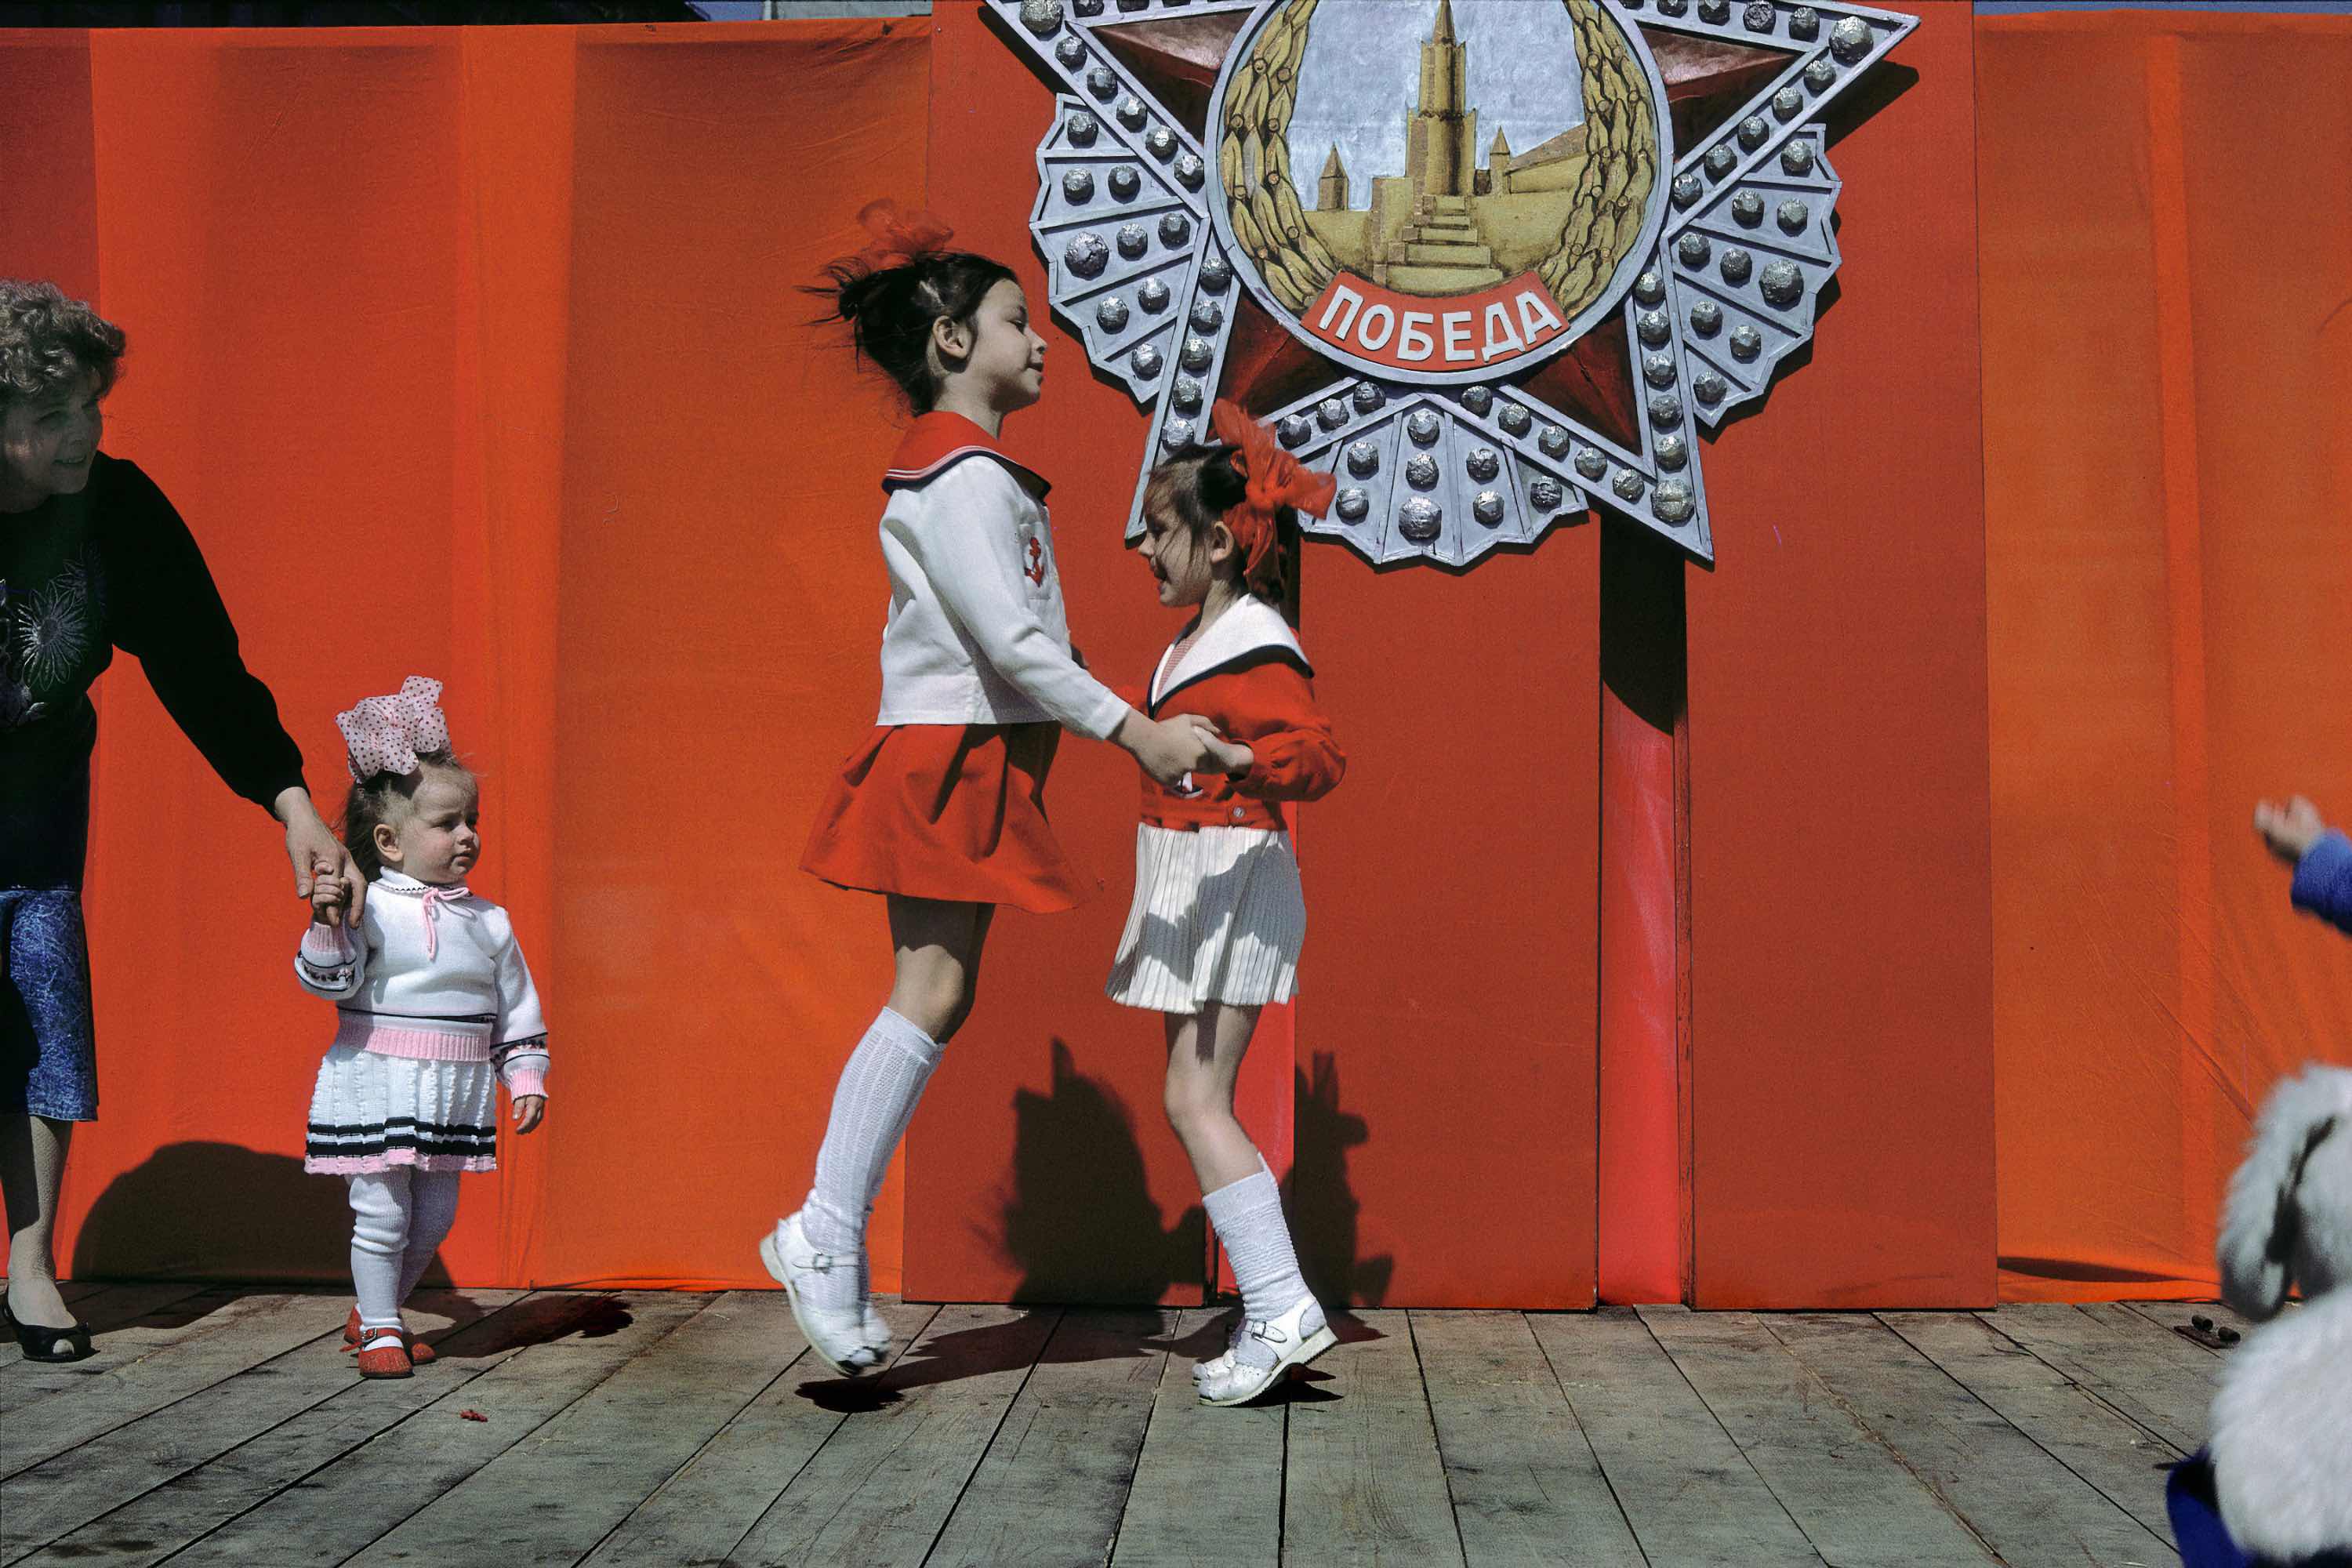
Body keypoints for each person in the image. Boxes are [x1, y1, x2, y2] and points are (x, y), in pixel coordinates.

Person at [764, 202, 1221, 1375]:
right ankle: (823, 1231)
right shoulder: (959, 476)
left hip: (975, 749)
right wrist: (1136, 731)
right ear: (954, 341)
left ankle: (824, 1231)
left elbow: (1022, 643)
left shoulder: (975, 472)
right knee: (926, 993)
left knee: (940, 993)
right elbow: (1013, 643)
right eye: (1020, 320)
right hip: (946, 752)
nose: (1042, 339)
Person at [0, 279, 360, 1363]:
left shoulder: (115, 509)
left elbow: (203, 666)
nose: (84, 432)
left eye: (93, 406)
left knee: (43, 1007)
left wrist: (290, 803)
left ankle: (30, 1266)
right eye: (53, 414)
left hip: (36, 807)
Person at [1109, 401, 1347, 1405]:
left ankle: (1282, 1304)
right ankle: (1277, 1304)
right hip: (1192, 869)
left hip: (1230, 869)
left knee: (1195, 1097)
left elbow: (1321, 755)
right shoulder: (1196, 640)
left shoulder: (1255, 639)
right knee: (1194, 1095)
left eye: (1159, 530)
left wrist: (1244, 757)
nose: (1143, 549)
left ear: (1216, 542)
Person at [296, 678, 547, 1379]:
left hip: (454, 1087)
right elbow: (329, 980)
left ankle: (377, 1308)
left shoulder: (490, 921)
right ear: (389, 842)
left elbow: (516, 1005)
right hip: (378, 1079)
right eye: (446, 823)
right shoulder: (369, 905)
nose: (467, 835)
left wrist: (526, 1074)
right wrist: (327, 925)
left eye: (472, 820)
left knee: (434, 1218)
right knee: (382, 1213)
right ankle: (382, 1326)